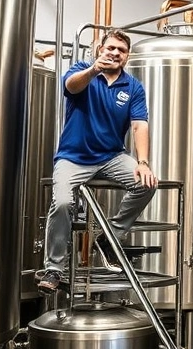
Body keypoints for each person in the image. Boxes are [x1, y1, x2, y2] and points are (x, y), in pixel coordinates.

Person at [37, 29, 158, 294]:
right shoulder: (82, 71)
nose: (115, 53)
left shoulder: (133, 87)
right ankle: (54, 269)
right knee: (63, 203)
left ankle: (109, 238)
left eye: (121, 50)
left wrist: (144, 162)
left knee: (147, 185)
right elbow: (71, 87)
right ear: (99, 49)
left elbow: (139, 125)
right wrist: (94, 70)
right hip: (73, 157)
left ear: (127, 57)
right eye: (110, 48)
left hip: (112, 156)